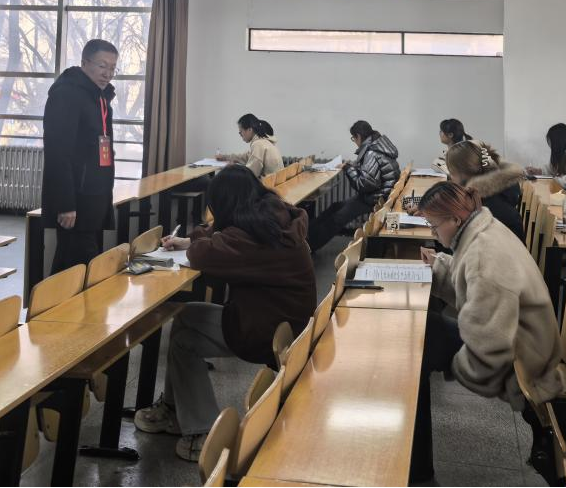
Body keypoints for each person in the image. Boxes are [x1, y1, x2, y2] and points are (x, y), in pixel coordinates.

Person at [133, 165, 316, 461]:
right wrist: (193, 238)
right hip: (287, 319)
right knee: (186, 316)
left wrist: (194, 242)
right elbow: (221, 237)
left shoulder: (251, 238)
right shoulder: (274, 215)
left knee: (183, 340)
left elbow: (203, 254)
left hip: (264, 328)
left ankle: (200, 433)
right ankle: (175, 410)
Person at [419, 181, 566, 406]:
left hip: (523, 359)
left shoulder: (482, 253)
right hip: (526, 340)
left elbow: (490, 336)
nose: (433, 233)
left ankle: (414, 424)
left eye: (434, 226)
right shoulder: (485, 227)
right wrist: (439, 265)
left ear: (455, 220)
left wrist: (462, 368)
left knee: (426, 335)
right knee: (429, 329)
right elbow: (474, 285)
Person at [41, 39, 117, 272]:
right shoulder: (67, 94)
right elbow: (58, 152)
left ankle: (53, 297)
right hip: (77, 198)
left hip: (95, 196)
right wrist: (65, 204)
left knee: (71, 265)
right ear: (84, 63)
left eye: (113, 68)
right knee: (81, 266)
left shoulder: (100, 97)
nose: (107, 73)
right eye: (102, 66)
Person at [307, 120, 400, 252]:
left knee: (337, 218)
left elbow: (364, 184)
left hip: (376, 198)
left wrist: (348, 169)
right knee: (335, 207)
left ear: (359, 136)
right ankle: (306, 236)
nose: (354, 142)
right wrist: (352, 166)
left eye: (353, 138)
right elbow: (372, 174)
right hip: (377, 194)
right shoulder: (377, 146)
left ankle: (309, 246)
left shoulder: (371, 152)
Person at [444, 140, 525, 239]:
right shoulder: (492, 197)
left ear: (463, 174)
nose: (450, 178)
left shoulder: (486, 210)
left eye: (452, 173)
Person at [215, 113, 283, 178]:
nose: (240, 135)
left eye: (240, 132)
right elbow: (246, 157)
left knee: (226, 179)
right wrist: (225, 157)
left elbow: (249, 174)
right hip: (272, 182)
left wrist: (233, 168)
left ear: (250, 130)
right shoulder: (264, 142)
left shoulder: (258, 144)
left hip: (266, 184)